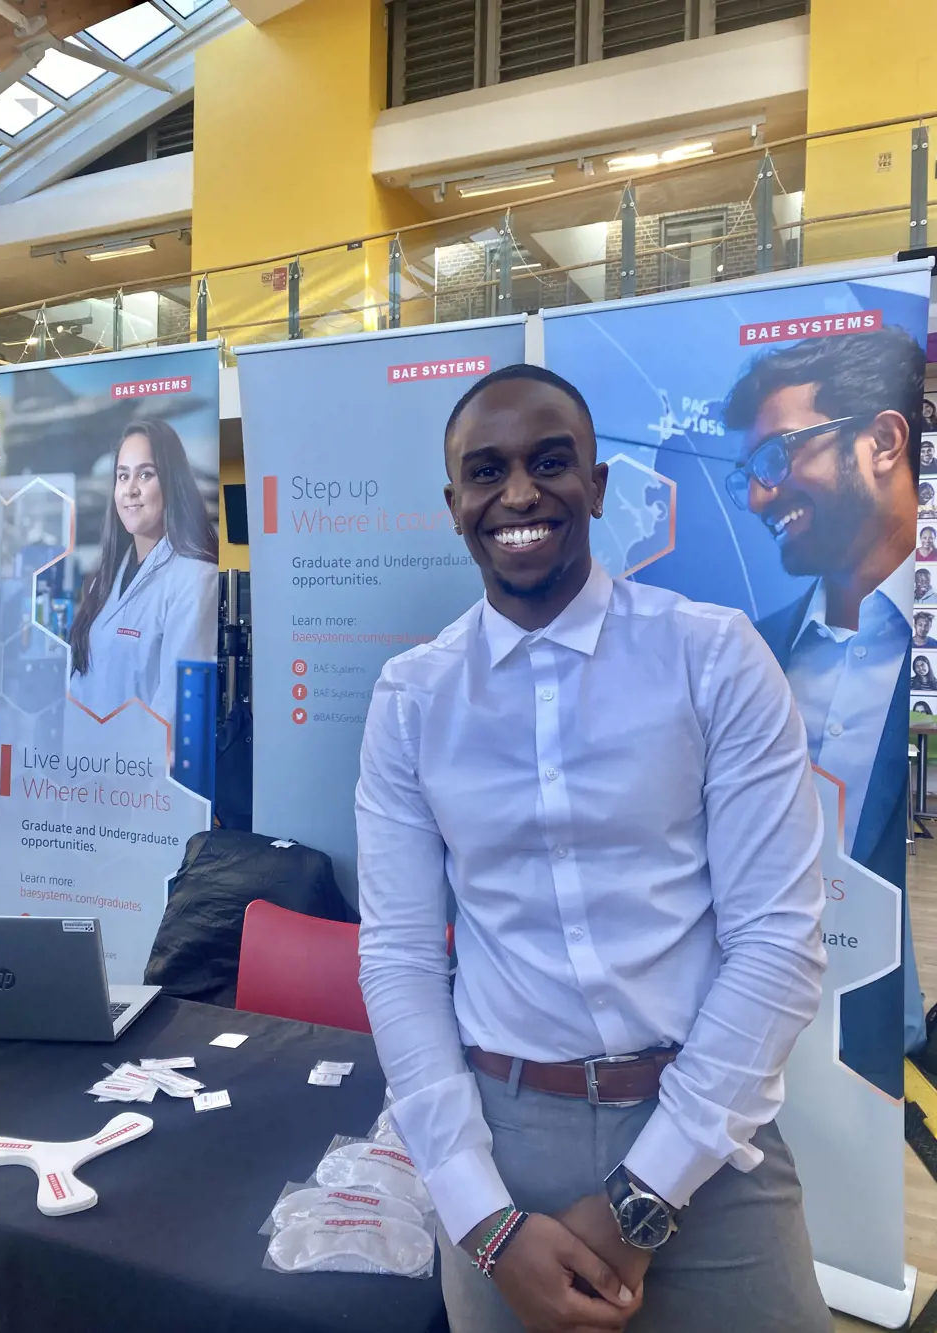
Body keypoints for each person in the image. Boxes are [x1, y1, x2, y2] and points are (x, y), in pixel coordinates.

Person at [357, 365, 830, 1333]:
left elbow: (778, 942)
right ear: (454, 506)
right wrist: (477, 1213)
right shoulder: (411, 698)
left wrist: (639, 1198)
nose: (519, 493)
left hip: (706, 1132)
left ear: (599, 487)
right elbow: (399, 954)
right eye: (486, 472)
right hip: (500, 1144)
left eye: (550, 462)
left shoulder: (713, 656)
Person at [722, 325, 927, 1083]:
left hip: (878, 1060)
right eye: (748, 469)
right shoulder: (748, 653)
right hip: (749, 1039)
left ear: (881, 440)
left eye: (776, 456)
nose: (755, 494)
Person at [68, 418, 218, 724]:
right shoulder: (105, 578)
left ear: (171, 483)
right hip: (86, 762)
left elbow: (177, 706)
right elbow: (84, 683)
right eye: (123, 477)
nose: (130, 490)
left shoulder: (196, 579)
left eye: (145, 475)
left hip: (141, 766)